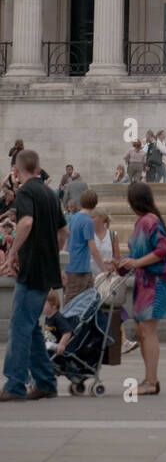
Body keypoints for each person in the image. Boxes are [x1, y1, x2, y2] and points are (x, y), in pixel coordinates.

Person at [0, 149, 67, 400]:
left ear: (17, 170)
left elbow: (26, 223)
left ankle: (15, 384)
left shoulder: (26, 192)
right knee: (32, 328)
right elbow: (63, 231)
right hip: (46, 270)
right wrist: (52, 252)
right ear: (38, 168)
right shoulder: (50, 194)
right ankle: (46, 382)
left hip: (31, 270)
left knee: (19, 326)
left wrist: (11, 253)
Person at [116, 181, 166, 395]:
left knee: (147, 332)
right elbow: (138, 255)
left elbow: (163, 249)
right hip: (144, 283)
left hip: (154, 284)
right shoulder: (142, 221)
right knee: (141, 332)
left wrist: (136, 263)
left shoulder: (150, 221)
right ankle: (150, 378)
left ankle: (151, 382)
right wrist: (122, 264)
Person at [64, 189, 103, 303]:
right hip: (80, 269)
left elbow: (67, 240)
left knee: (81, 302)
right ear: (95, 203)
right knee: (73, 304)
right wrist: (103, 268)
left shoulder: (74, 217)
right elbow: (93, 249)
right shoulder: (88, 222)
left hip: (71, 266)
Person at [43, 291, 74, 357]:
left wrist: (62, 344)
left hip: (56, 349)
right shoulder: (47, 317)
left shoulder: (58, 318)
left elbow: (67, 332)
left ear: (53, 306)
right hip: (49, 345)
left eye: (44, 303)